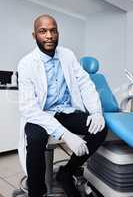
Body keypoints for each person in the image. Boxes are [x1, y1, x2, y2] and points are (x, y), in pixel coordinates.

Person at [18, 14, 107, 197]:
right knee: (35, 139)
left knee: (99, 129)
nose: (49, 35)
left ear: (58, 33)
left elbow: (84, 83)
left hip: (65, 110)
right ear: (35, 36)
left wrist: (97, 111)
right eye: (43, 31)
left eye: (53, 30)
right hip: (40, 114)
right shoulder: (26, 64)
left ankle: (67, 172)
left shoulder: (67, 55)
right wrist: (65, 134)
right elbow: (28, 107)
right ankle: (37, 192)